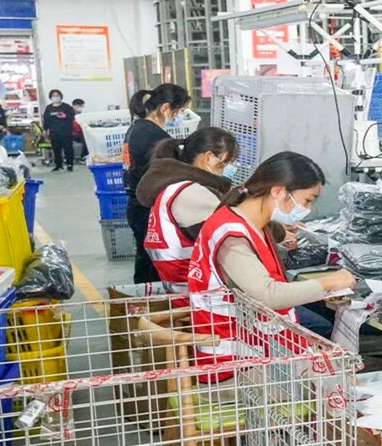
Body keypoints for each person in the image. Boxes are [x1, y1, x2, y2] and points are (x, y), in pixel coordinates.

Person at [188, 151, 355, 352]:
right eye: (307, 200)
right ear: (278, 191)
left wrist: (321, 290)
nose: (308, 209)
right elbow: (268, 295)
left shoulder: (254, 225)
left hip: (257, 340)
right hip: (235, 351)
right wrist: (329, 282)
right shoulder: (232, 236)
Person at [137, 127, 239, 293]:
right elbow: (232, 232)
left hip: (183, 287)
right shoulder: (191, 193)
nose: (230, 168)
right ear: (208, 158)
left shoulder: (173, 186)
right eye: (226, 162)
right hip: (203, 292)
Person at [124, 84, 191, 284]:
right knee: (153, 263)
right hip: (147, 208)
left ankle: (144, 296)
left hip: (137, 205)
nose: (178, 116)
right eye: (178, 111)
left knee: (145, 258)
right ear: (165, 108)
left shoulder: (137, 128)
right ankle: (149, 298)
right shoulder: (155, 137)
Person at [42, 89, 76, 171]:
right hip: (54, 132)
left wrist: (65, 116)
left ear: (61, 96)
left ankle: (69, 164)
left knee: (68, 148)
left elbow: (72, 118)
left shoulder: (67, 107)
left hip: (66, 131)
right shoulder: (49, 108)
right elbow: (46, 120)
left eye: (57, 95)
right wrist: (45, 129)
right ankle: (58, 165)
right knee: (56, 149)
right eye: (54, 96)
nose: (56, 97)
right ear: (51, 97)